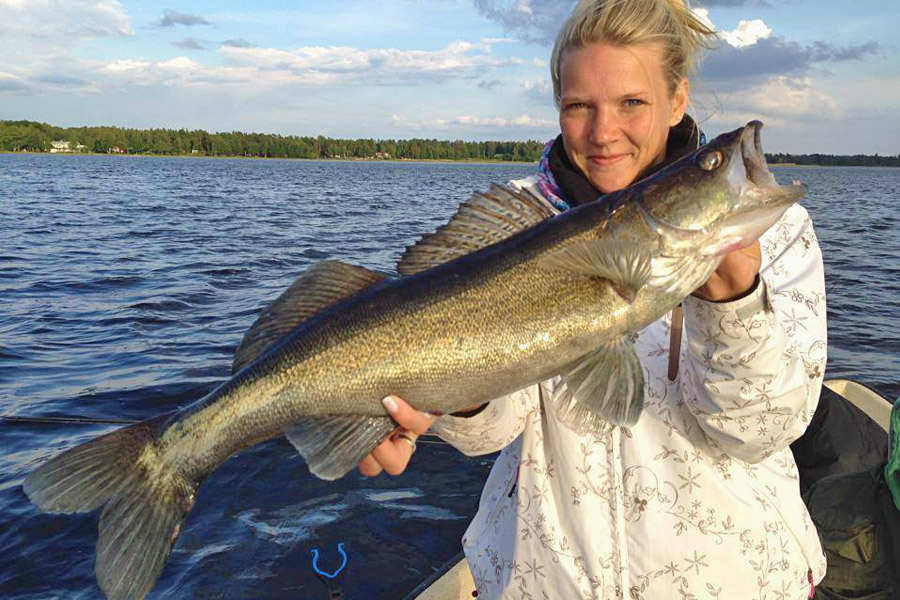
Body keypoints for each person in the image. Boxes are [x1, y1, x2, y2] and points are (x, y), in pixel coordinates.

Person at [359, 0, 828, 598]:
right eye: (579, 106)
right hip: (544, 578)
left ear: (677, 100)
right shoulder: (515, 227)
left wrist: (733, 307)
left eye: (632, 102)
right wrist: (449, 397)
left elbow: (761, 429)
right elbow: (493, 433)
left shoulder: (775, 233)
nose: (603, 132)